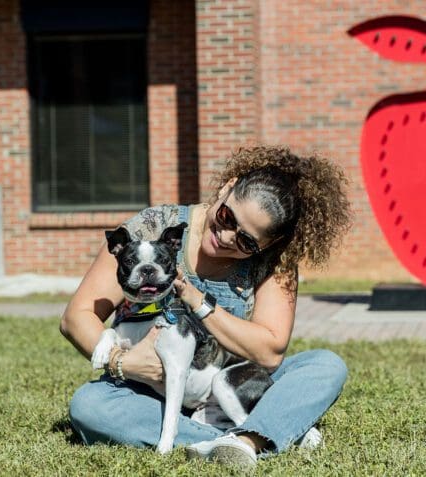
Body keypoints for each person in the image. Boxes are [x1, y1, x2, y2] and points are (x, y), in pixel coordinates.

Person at [61, 145, 352, 468]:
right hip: (145, 390)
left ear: (268, 246)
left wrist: (197, 301)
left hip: (233, 381)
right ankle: (254, 436)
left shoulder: (274, 262)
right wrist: (123, 363)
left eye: (247, 242)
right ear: (228, 187)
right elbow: (77, 316)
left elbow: (269, 351)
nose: (227, 237)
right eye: (228, 217)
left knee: (325, 365)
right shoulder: (155, 225)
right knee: (90, 406)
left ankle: (241, 439)